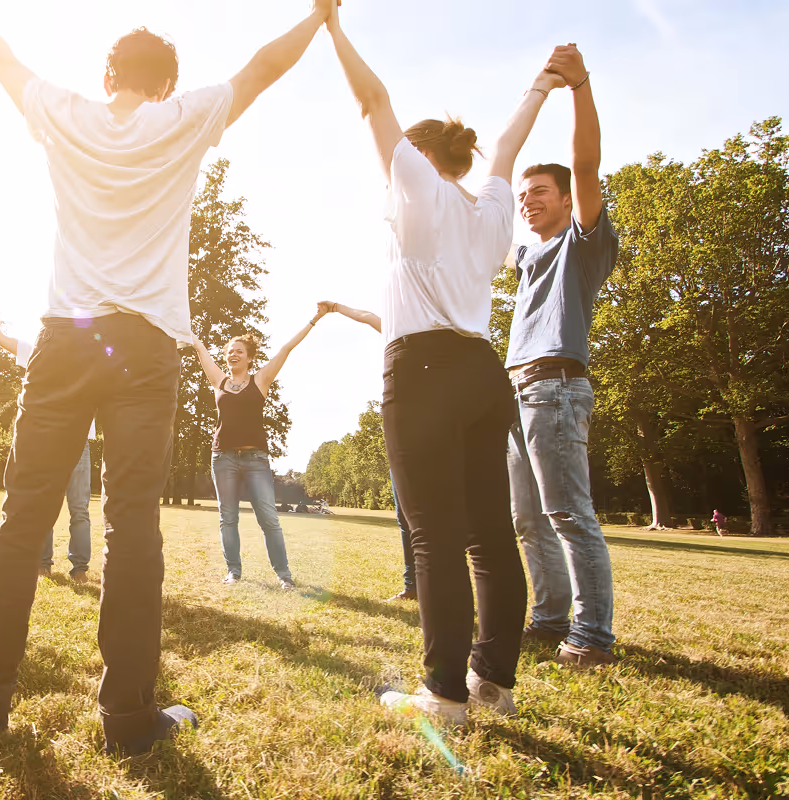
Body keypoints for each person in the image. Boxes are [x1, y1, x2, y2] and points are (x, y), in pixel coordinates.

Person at [0, 0, 337, 754]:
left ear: (108, 74)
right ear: (166, 86)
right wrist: (317, 15)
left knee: (24, 517)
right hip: (146, 345)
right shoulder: (184, 117)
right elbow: (264, 66)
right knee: (132, 528)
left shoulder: (63, 111)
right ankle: (127, 718)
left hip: (65, 338)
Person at [325, 2, 558, 724]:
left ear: (421, 156)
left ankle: (445, 696)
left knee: (433, 534)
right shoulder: (490, 209)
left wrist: (332, 25)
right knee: (490, 533)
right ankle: (495, 683)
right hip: (484, 375)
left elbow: (372, 102)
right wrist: (543, 85)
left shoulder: (416, 186)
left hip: (423, 371)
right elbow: (508, 153)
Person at [503, 44, 620, 669]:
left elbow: (587, 162)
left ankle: (593, 637)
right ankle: (549, 619)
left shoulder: (581, 243)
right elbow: (486, 212)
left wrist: (576, 87)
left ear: (568, 199)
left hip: (554, 388)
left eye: (540, 191)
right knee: (528, 521)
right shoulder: (527, 258)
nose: (529, 200)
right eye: (525, 194)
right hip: (517, 394)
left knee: (569, 514)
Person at [0, 287, 96, 582]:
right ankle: (43, 563)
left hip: (78, 441)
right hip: (47, 437)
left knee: (79, 509)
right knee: (44, 503)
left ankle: (79, 569)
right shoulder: (39, 348)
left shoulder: (90, 353)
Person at [189, 315, 321, 591]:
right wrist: (185, 328)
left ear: (249, 357)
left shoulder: (260, 380)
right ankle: (233, 572)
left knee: (268, 517)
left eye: (238, 350)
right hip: (223, 458)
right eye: (228, 351)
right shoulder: (220, 382)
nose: (232, 354)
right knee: (228, 517)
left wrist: (314, 319)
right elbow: (200, 348)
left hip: (255, 460)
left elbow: (285, 349)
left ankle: (284, 575)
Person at [316, 300, 416, 602]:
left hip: (434, 434)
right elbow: (368, 317)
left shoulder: (441, 338)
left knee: (432, 518)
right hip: (401, 440)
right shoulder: (400, 334)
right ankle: (413, 587)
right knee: (404, 519)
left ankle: (437, 585)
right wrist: (336, 307)